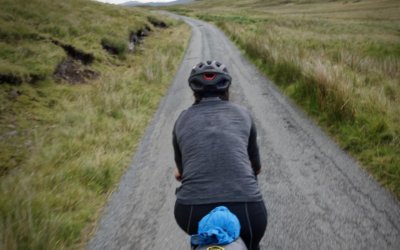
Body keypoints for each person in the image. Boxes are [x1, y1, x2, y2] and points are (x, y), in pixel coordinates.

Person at [172, 60, 268, 250]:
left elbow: (181, 170)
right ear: (227, 89)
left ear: (194, 91)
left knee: (202, 240)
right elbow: (255, 167)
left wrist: (182, 173)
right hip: (248, 208)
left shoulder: (182, 119)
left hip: (191, 209)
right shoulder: (243, 115)